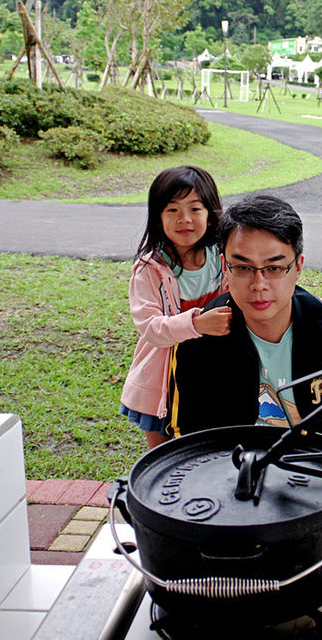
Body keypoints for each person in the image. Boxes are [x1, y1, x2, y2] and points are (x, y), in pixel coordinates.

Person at [176, 194, 322, 556]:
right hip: (232, 478)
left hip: (316, 475)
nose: (259, 284)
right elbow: (183, 437)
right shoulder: (198, 339)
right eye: (243, 267)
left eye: (275, 267)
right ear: (224, 266)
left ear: (298, 267)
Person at [119, 166, 232, 449]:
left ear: (211, 213)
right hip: (162, 382)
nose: (185, 219)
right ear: (158, 218)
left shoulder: (223, 259)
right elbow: (151, 329)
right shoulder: (148, 269)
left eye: (195, 208)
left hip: (212, 375)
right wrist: (197, 324)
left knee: (207, 451)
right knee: (162, 456)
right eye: (172, 210)